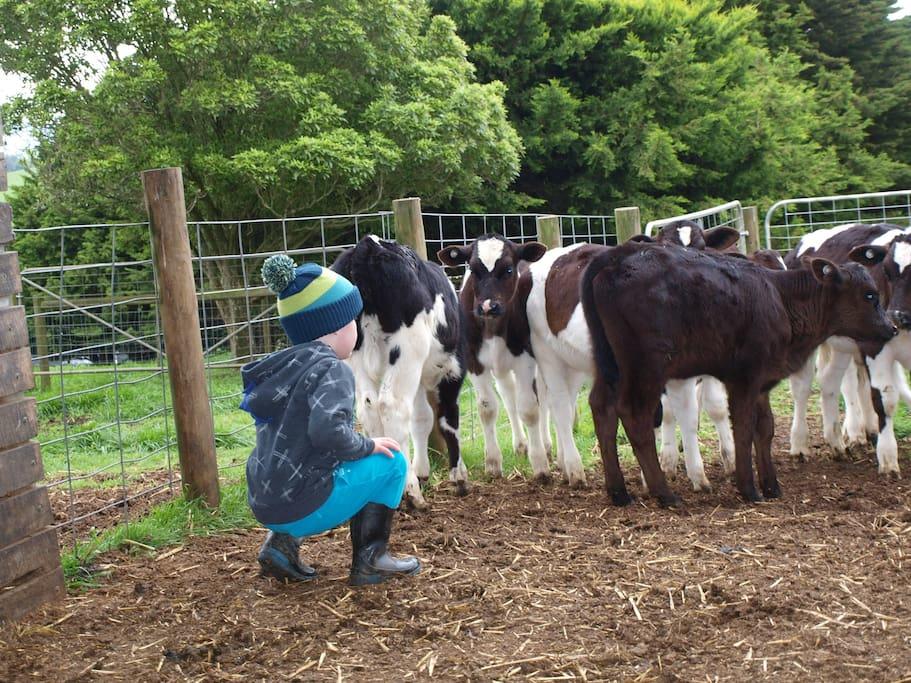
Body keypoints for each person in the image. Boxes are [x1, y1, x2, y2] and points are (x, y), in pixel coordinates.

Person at [240, 254, 421, 585]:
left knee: (306, 460)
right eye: (352, 321)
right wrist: (367, 446)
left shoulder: (282, 368)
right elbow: (328, 432)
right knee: (392, 460)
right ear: (337, 326)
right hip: (303, 505)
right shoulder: (332, 370)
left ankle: (280, 546)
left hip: (266, 501)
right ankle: (372, 560)